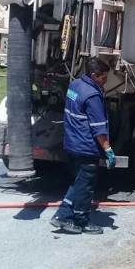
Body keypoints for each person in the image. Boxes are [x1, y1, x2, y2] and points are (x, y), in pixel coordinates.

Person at [50, 57, 116, 235]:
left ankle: (61, 215)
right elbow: (98, 129)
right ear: (94, 76)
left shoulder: (75, 86)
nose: (106, 80)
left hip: (71, 144)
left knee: (78, 182)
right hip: (86, 148)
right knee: (86, 186)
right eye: (103, 77)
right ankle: (81, 220)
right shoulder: (93, 96)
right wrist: (108, 150)